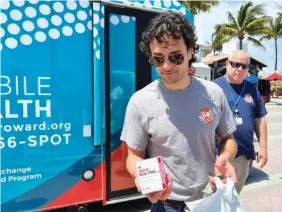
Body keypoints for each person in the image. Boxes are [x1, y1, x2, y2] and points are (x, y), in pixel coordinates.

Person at [120, 11, 238, 212]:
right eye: (158, 59)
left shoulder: (213, 93)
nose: (166, 66)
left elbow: (228, 138)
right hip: (166, 204)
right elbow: (133, 156)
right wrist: (141, 176)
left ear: (191, 51)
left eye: (175, 57)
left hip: (209, 198)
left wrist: (226, 156)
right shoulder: (140, 102)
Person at [213, 50, 268, 194]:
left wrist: (263, 148)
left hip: (243, 156)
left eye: (244, 66)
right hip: (218, 156)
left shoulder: (252, 89)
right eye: (235, 64)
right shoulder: (213, 88)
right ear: (226, 64)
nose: (240, 69)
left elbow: (260, 119)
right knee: (215, 199)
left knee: (233, 198)